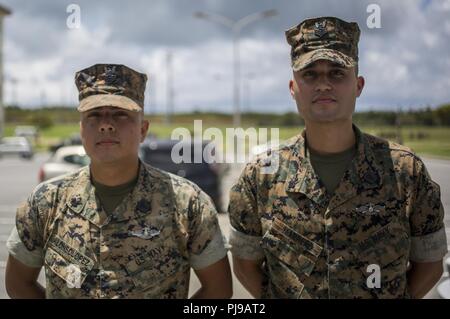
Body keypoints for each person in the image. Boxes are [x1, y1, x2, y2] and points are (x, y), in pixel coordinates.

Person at [228, 16, 447, 299]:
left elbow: (429, 264)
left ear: (358, 85)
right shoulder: (262, 175)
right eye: (309, 74)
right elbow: (245, 265)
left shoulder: (405, 170)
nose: (323, 85)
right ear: (293, 88)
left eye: (337, 73)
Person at [5, 63, 232, 299]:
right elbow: (18, 282)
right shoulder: (46, 201)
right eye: (94, 115)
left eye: (120, 114)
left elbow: (218, 289)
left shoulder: (188, 203)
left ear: (143, 130)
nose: (106, 124)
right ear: (82, 129)